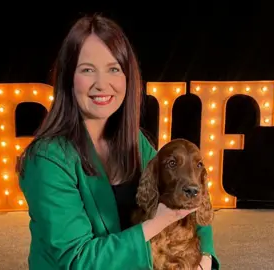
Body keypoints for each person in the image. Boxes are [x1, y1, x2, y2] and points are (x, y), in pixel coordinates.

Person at [18, 14, 220, 270]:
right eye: (87, 70)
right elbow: (78, 260)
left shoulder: (133, 139)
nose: (102, 84)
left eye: (113, 69)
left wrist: (206, 257)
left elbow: (188, 195)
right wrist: (156, 223)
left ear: (127, 77)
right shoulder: (47, 159)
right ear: (68, 78)